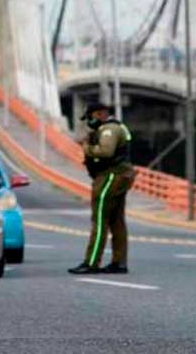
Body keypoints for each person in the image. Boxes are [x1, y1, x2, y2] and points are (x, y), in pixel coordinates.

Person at [69, 103, 135, 275]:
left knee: (100, 219)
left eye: (90, 117)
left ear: (99, 114)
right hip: (119, 175)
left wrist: (86, 147)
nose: (89, 122)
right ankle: (119, 263)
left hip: (111, 176)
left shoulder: (109, 129)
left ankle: (91, 263)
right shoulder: (115, 127)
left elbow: (106, 151)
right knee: (116, 221)